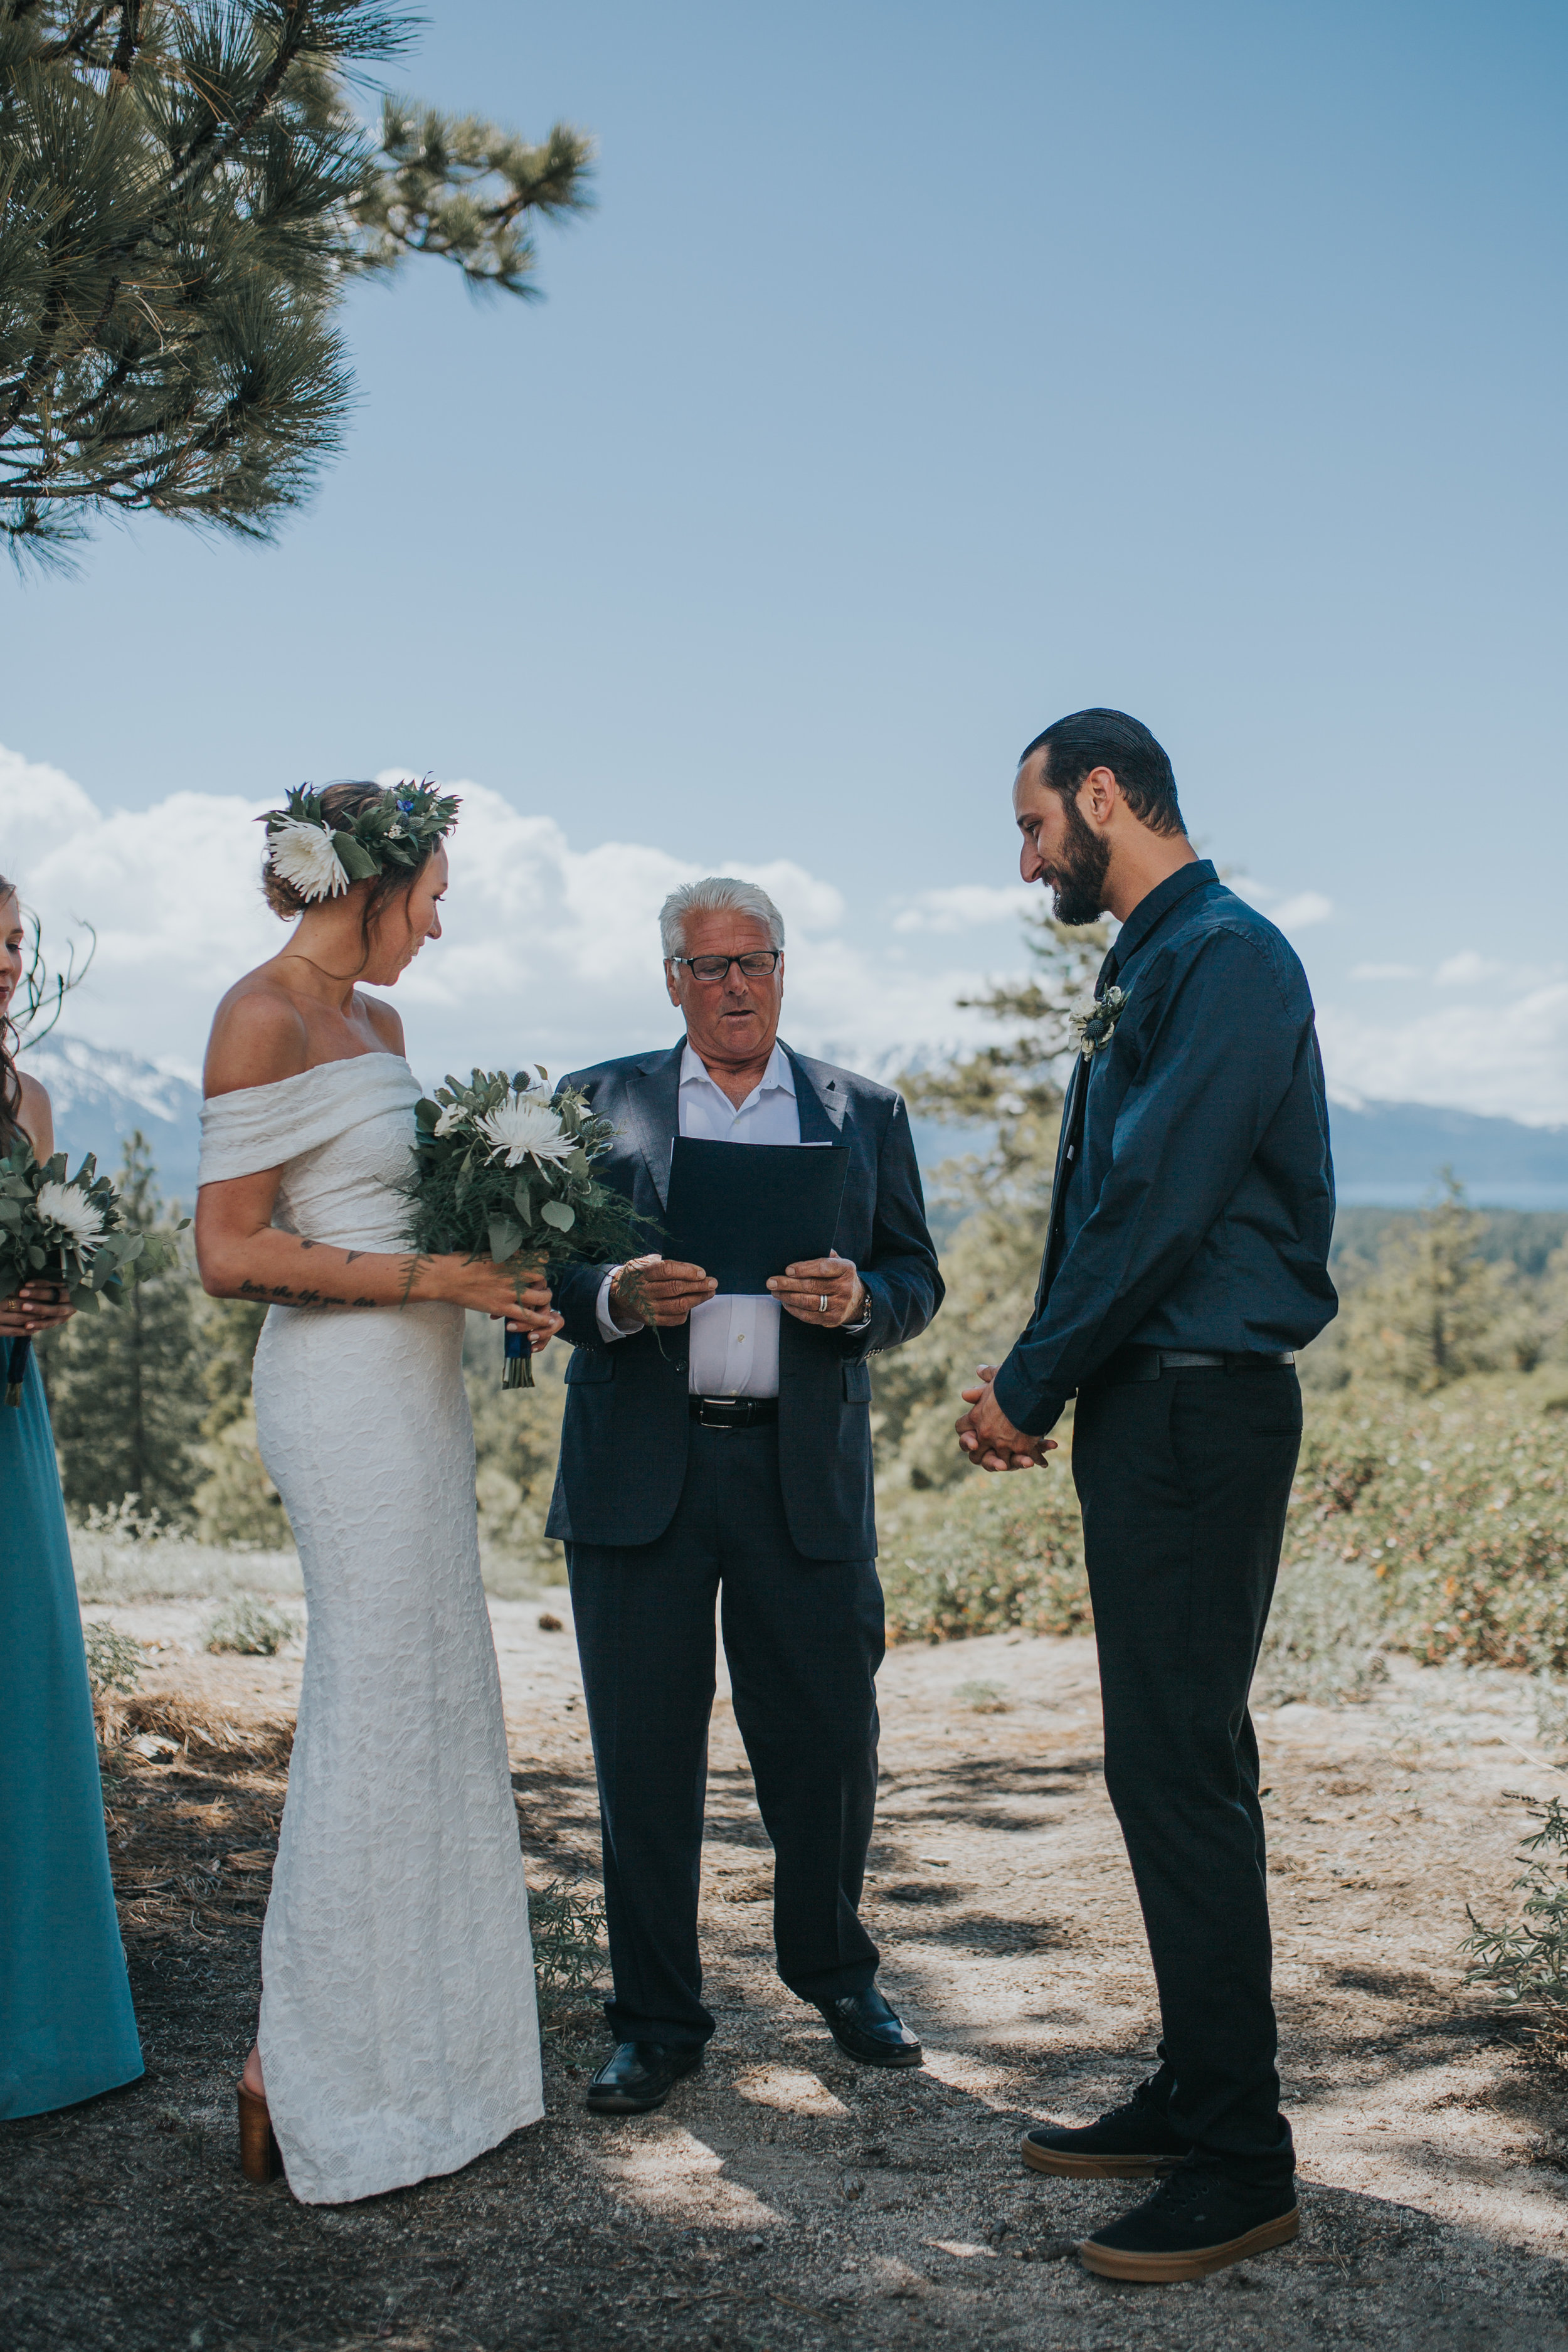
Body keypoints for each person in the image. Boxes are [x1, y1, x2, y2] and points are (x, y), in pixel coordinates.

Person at [955, 711, 1337, 2286]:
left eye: (1035, 821)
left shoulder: (1228, 958)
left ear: (1103, 795)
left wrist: (1029, 1380)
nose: (1027, 853)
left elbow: (1161, 1205)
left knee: (1174, 1771)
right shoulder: (1152, 957)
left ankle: (1242, 2159)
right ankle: (1195, 2086)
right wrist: (1057, 1375)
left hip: (1195, 1414)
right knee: (1171, 1760)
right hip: (1151, 1413)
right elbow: (1112, 1200)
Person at [195, 781, 559, 2204]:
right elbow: (227, 1254)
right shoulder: (260, 1013)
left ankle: (435, 2064)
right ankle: (296, 2068)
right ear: (370, 883)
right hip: (338, 1401)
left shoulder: (389, 1031)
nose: (440, 917)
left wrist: (506, 1270)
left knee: (433, 1704)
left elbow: (403, 1220)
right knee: (368, 1704)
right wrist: (442, 1280)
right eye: (434, 892)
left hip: (422, 1393)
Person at [544, 877, 943, 2116]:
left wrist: (858, 1302)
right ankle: (654, 2021)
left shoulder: (861, 1111)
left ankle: (833, 1971)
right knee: (642, 1761)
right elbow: (536, 1266)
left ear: (782, 970)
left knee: (827, 1742)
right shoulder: (591, 1102)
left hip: (798, 1473)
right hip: (639, 1477)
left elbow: (914, 1274)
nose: (734, 984)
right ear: (670, 977)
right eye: (708, 965)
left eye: (754, 962)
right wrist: (613, 1296)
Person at [0, 874, 146, 2121]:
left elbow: (35, 1255)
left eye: (9, 945)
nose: (2, 965)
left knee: (23, 1698)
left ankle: (38, 2028)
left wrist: (46, 1304)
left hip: (9, 1415)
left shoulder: (26, 1102)